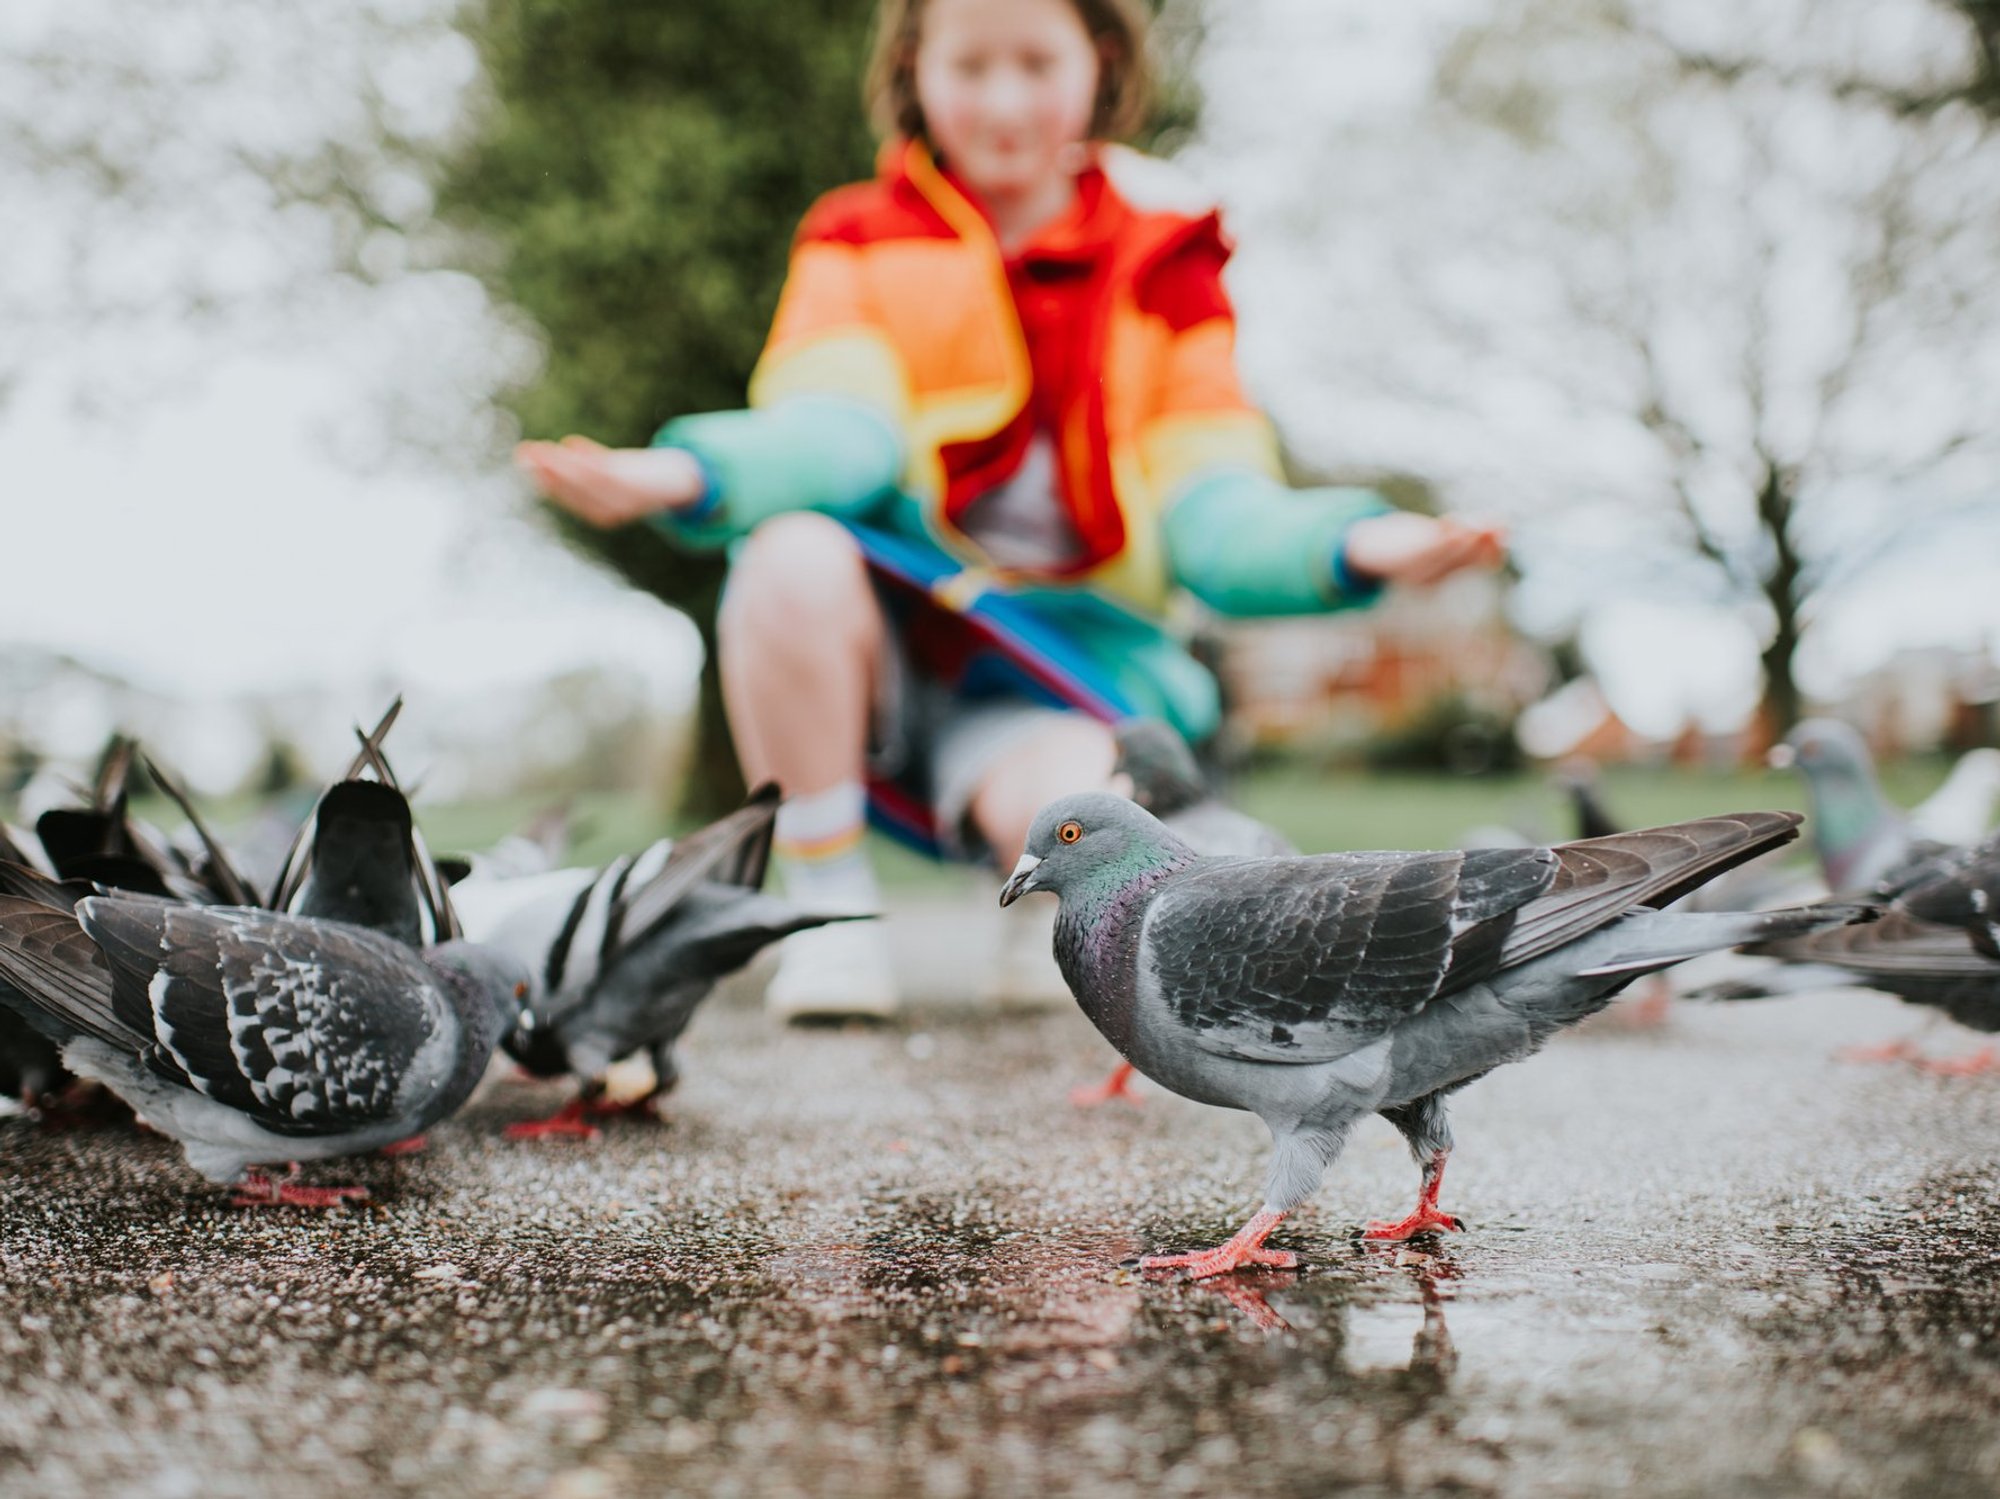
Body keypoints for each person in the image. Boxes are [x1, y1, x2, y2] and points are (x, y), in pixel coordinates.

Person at [518, 0, 1506, 1022]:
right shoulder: (854, 236)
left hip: (1062, 666)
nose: (1002, 101)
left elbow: (1210, 506)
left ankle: (1043, 909)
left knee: (1085, 816)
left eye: (1035, 63)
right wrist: (693, 473)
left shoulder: (1170, 258)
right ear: (915, 64)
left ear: (1100, 59)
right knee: (786, 551)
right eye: (970, 65)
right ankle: (827, 909)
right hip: (893, 639)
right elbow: (839, 431)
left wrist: (1352, 542)